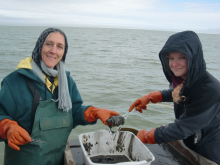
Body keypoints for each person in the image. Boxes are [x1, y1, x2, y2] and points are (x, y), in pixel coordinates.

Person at [0, 28, 121, 165]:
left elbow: (73, 111)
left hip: (58, 160)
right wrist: (7, 127)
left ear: (64, 53)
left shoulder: (67, 82)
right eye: (48, 44)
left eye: (59, 47)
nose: (53, 51)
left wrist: (94, 112)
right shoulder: (14, 82)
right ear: (39, 46)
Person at [129, 31, 220, 164]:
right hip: (191, 141)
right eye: (171, 58)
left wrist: (149, 136)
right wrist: (153, 96)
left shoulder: (209, 89)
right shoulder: (187, 78)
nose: (174, 64)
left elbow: (183, 127)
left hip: (210, 150)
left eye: (182, 57)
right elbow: (181, 92)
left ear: (193, 57)